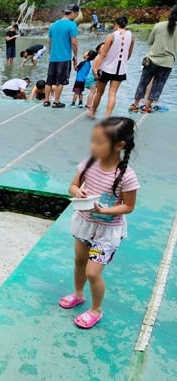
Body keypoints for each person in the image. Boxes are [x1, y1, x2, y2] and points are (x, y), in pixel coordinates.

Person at [60, 117, 140, 329]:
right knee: (79, 262)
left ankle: (96, 309)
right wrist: (78, 191)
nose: (93, 146)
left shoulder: (126, 176)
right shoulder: (89, 163)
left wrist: (104, 210)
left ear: (119, 146)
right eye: (93, 141)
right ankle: (78, 294)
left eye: (100, 142)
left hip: (107, 232)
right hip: (85, 224)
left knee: (93, 272)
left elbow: (128, 206)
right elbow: (73, 186)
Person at [129, 6, 177, 114]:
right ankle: (147, 107)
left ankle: (135, 105)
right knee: (158, 86)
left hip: (151, 60)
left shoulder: (158, 26)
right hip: (167, 63)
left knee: (143, 83)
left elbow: (150, 42)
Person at [89, 16, 135, 119]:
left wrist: (95, 68)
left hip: (106, 68)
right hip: (120, 70)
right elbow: (129, 53)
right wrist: (123, 62)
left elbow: (102, 54)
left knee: (99, 92)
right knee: (112, 94)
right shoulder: (131, 36)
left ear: (116, 24)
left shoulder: (111, 36)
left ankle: (93, 112)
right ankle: (107, 116)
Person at [44, 4, 79, 108]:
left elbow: (49, 42)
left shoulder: (53, 25)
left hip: (53, 57)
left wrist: (51, 54)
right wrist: (75, 56)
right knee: (60, 81)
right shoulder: (72, 25)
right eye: (76, 14)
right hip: (64, 58)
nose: (76, 16)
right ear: (73, 13)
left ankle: (46, 100)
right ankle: (56, 101)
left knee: (49, 80)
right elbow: (74, 42)